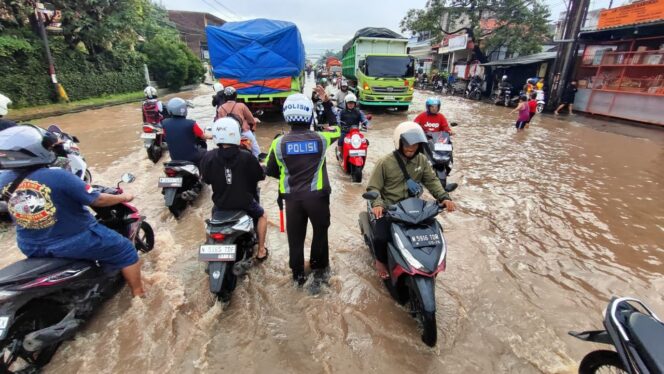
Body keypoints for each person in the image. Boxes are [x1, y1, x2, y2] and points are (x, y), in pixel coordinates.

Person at [0, 126, 145, 296]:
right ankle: (139, 293)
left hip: (30, 244)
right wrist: (124, 197)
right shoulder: (59, 176)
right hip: (73, 241)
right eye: (48, 147)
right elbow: (98, 199)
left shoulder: (3, 179)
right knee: (125, 250)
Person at [265, 93, 340, 288]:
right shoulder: (322, 139)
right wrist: (327, 103)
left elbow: (271, 170)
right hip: (318, 199)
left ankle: (298, 276)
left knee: (295, 239)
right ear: (309, 116)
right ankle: (319, 271)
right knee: (320, 234)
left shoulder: (278, 143)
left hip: (292, 200)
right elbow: (338, 128)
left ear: (287, 116)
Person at [365, 122, 456, 279]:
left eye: (415, 145)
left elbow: (432, 181)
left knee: (437, 230)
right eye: (407, 144)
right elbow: (373, 187)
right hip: (390, 209)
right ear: (399, 142)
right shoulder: (384, 162)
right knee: (380, 237)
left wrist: (444, 197)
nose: (411, 148)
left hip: (414, 209)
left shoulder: (421, 160)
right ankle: (380, 261)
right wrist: (378, 204)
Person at [200, 117, 268, 261]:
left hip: (220, 205)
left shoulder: (208, 157)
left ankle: (210, 249)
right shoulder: (246, 157)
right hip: (246, 203)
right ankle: (261, 250)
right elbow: (260, 176)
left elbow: (205, 180)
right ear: (236, 134)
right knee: (262, 216)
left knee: (212, 222)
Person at [162, 97, 209, 165]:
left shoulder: (164, 123)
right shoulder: (191, 123)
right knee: (207, 154)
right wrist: (213, 136)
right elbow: (203, 136)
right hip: (192, 157)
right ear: (184, 109)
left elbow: (165, 136)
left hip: (174, 158)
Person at [217, 87, 261, 157]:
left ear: (225, 97)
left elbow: (219, 123)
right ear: (235, 96)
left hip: (229, 135)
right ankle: (259, 161)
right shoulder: (241, 105)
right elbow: (250, 119)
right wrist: (253, 121)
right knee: (255, 147)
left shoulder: (220, 108)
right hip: (244, 132)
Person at [322, 89, 368, 157]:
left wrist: (366, 124)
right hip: (344, 131)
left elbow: (364, 119)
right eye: (349, 103)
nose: (350, 105)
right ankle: (340, 153)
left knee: (365, 142)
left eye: (352, 103)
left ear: (355, 104)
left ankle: (361, 155)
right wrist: (338, 125)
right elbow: (337, 119)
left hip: (355, 132)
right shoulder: (341, 112)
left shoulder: (359, 112)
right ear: (346, 103)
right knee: (340, 141)